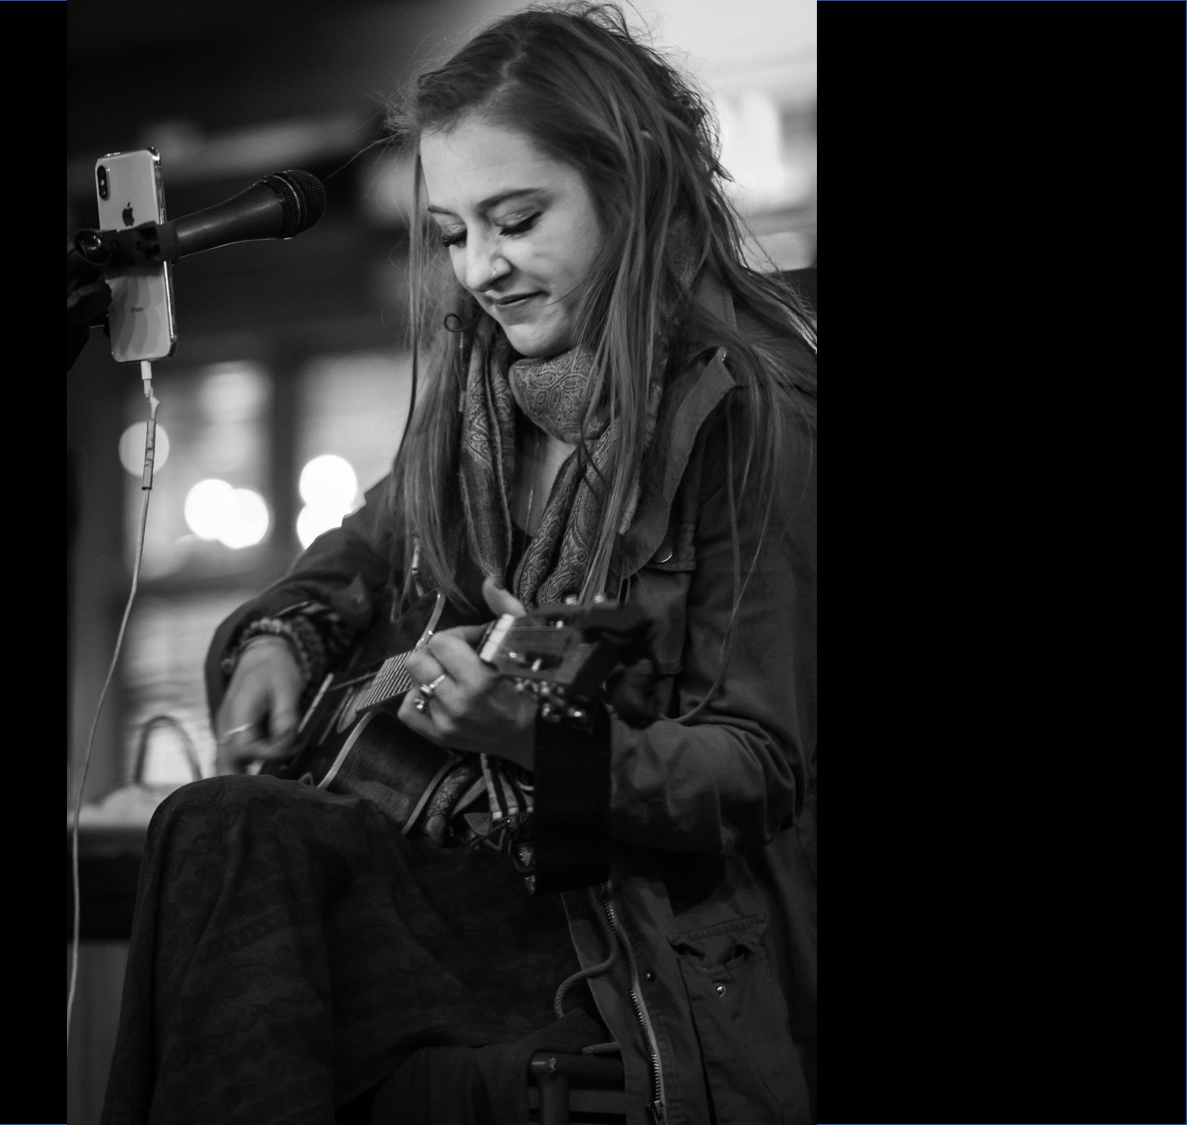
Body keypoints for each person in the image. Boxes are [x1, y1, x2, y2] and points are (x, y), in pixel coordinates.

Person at [92, 4, 816, 1122]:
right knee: (218, 822)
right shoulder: (478, 400)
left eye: (516, 220)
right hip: (476, 882)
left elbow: (754, 769)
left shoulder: (754, 420)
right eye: (449, 231)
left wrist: (534, 737)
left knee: (226, 851)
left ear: (631, 192)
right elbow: (362, 552)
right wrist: (286, 635)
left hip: (622, 932)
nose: (478, 268)